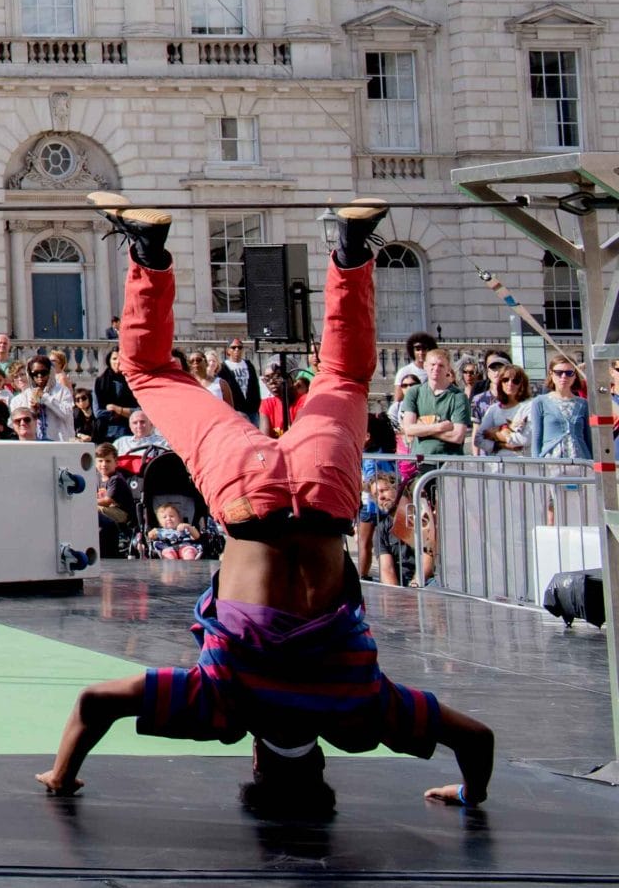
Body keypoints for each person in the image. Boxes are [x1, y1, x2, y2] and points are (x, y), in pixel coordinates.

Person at [38, 195, 494, 817]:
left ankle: (352, 250)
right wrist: (62, 776)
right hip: (245, 493)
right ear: (256, 760)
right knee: (149, 372)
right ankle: (148, 252)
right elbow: (96, 702)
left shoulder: (357, 706)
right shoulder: (225, 705)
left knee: (345, 376)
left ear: (321, 764)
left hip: (325, 493)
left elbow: (477, 739)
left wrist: (472, 790)